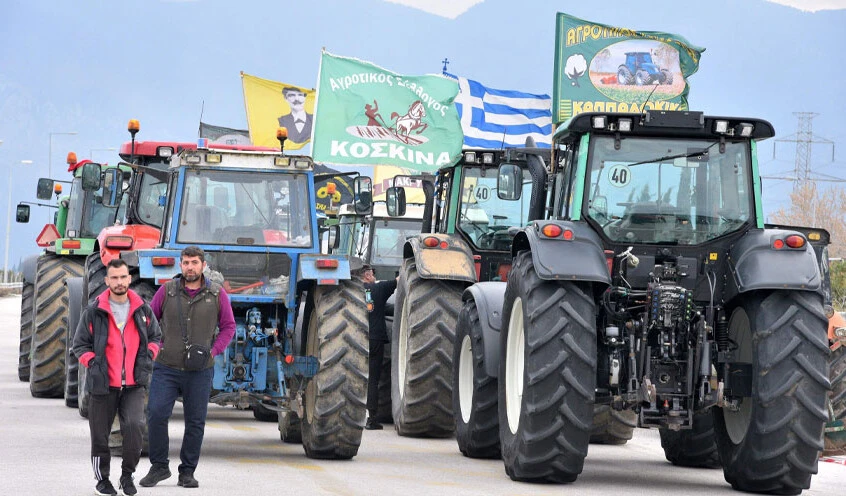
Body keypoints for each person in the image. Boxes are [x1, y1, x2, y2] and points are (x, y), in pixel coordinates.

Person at [139, 246, 236, 489]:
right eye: (185, 262)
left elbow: (228, 326)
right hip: (166, 367)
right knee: (156, 414)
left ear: (203, 265)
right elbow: (150, 320)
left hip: (200, 371)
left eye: (194, 262)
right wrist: (158, 346)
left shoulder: (216, 294)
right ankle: (159, 466)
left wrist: (213, 352)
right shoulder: (167, 291)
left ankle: (187, 472)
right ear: (180, 265)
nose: (190, 267)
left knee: (195, 422)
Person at [73, 258, 162, 496]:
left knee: (134, 429)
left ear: (129, 279)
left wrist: (149, 355)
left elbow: (156, 336)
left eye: (123, 277)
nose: (119, 282)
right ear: (106, 280)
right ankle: (102, 481)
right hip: (103, 385)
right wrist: (92, 363)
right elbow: (79, 345)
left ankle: (127, 476)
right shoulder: (94, 311)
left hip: (133, 384)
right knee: (100, 436)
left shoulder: (142, 308)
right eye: (114, 278)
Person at [354, 263, 397, 430]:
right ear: (367, 275)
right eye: (372, 274)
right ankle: (371, 419)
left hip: (356, 339)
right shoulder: (378, 290)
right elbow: (399, 280)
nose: (374, 277)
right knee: (372, 380)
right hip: (375, 340)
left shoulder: (353, 292)